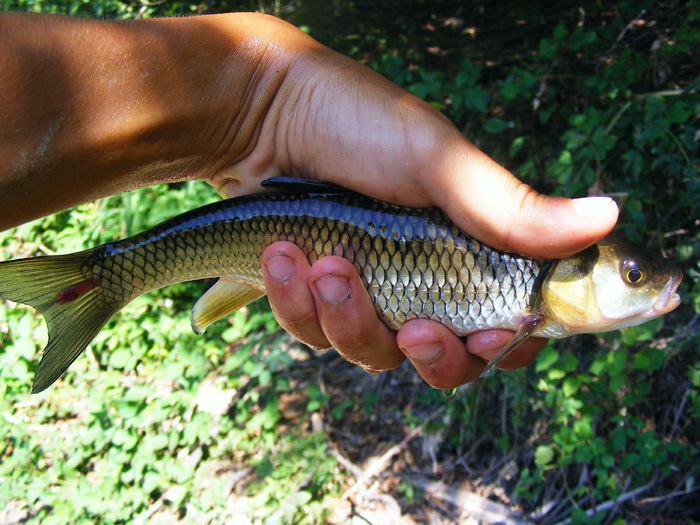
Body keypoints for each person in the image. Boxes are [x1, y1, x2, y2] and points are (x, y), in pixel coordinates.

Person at [0, 12, 618, 389]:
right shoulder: (528, 284)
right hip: (282, 216)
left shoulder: (527, 303)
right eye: (633, 276)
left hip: (277, 216)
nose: (644, 288)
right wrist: (261, 100)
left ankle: (106, 277)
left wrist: (264, 103)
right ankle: (101, 280)